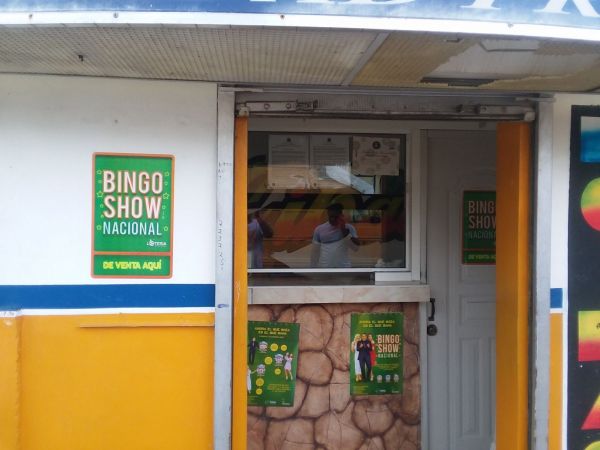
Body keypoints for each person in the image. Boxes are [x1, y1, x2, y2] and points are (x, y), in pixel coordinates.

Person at [310, 203, 359, 268]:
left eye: (336, 217)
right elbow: (315, 251)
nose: (333, 219)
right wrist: (313, 268)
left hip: (344, 268)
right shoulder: (319, 229)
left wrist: (343, 230)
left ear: (341, 215)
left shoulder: (349, 228)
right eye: (331, 217)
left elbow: (355, 248)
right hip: (325, 268)